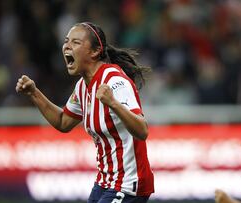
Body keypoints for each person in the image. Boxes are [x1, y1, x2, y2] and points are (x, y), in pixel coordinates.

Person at [16, 22, 154, 203]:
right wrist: (34, 93)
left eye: (76, 42)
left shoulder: (114, 81)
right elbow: (63, 121)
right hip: (105, 183)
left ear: (95, 52)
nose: (67, 46)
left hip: (128, 186)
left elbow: (142, 130)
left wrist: (113, 103)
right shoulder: (82, 86)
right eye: (66, 41)